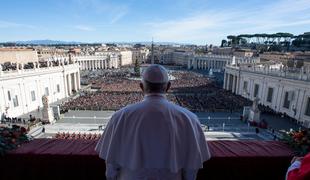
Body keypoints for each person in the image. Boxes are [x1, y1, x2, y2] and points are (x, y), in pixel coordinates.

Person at [95, 65, 210, 180]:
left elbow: (111, 165)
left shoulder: (120, 116)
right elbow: (191, 168)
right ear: (168, 87)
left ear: (141, 87)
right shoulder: (189, 118)